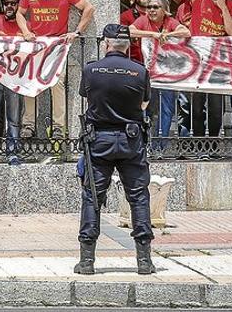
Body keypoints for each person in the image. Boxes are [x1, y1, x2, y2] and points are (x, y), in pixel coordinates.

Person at [76, 24, 154, 275]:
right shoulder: (139, 71)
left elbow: (86, 96)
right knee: (138, 197)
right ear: (128, 45)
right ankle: (144, 261)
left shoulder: (91, 70)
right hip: (131, 139)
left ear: (106, 44)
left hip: (99, 140)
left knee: (92, 197)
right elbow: (144, 102)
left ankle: (87, 261)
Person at [17, 0, 95, 145]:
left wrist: (76, 32)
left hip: (57, 46)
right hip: (36, 45)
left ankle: (59, 127)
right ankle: (28, 124)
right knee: (30, 82)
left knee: (58, 84)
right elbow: (20, 13)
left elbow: (88, 7)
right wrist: (26, 32)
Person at [185, 0, 232, 139]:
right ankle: (200, 143)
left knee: (217, 109)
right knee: (197, 107)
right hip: (197, 63)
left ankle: (214, 143)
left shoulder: (230, 5)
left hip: (218, 65)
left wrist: (223, 7)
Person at [128, 0, 190, 154]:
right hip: (147, 75)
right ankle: (142, 145)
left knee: (166, 110)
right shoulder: (143, 20)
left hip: (166, 76)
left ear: (165, 10)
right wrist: (153, 35)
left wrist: (167, 35)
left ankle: (159, 147)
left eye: (155, 7)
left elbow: (186, 32)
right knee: (144, 109)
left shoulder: (170, 22)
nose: (151, 10)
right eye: (149, 7)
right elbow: (131, 31)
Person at [0, 0, 26, 165]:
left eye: (14, 3)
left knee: (14, 116)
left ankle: (13, 151)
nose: (10, 7)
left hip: (15, 77)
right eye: (6, 3)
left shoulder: (26, 25)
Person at [120, 0, 154, 64]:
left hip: (155, 62)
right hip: (134, 63)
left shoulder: (157, 15)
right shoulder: (125, 16)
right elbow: (122, 38)